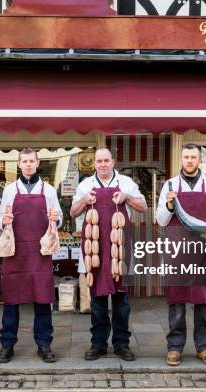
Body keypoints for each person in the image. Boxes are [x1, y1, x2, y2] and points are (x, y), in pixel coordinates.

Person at [70, 148, 147, 361]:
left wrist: (127, 197)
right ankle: (98, 344)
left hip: (119, 250)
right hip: (93, 250)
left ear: (113, 162)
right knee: (97, 302)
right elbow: (73, 212)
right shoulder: (85, 185)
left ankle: (122, 344)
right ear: (94, 163)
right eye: (99, 161)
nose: (103, 164)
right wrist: (84, 200)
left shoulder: (126, 183)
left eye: (106, 160)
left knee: (122, 302)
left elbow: (143, 207)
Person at [156, 143, 206, 367]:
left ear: (199, 160)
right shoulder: (169, 185)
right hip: (177, 251)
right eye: (186, 157)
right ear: (181, 160)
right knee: (176, 301)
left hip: (203, 250)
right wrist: (169, 204)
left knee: (203, 300)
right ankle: (175, 348)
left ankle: (204, 347)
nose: (189, 160)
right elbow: (160, 220)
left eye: (193, 157)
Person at [0, 147, 63, 363]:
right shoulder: (9, 190)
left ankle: (44, 344)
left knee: (42, 299)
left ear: (37, 163)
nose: (27, 164)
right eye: (24, 161)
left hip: (40, 253)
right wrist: (4, 221)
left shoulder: (49, 190)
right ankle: (7, 344)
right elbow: (0, 220)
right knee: (11, 301)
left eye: (31, 161)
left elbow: (58, 217)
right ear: (18, 164)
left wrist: (56, 218)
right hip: (15, 252)